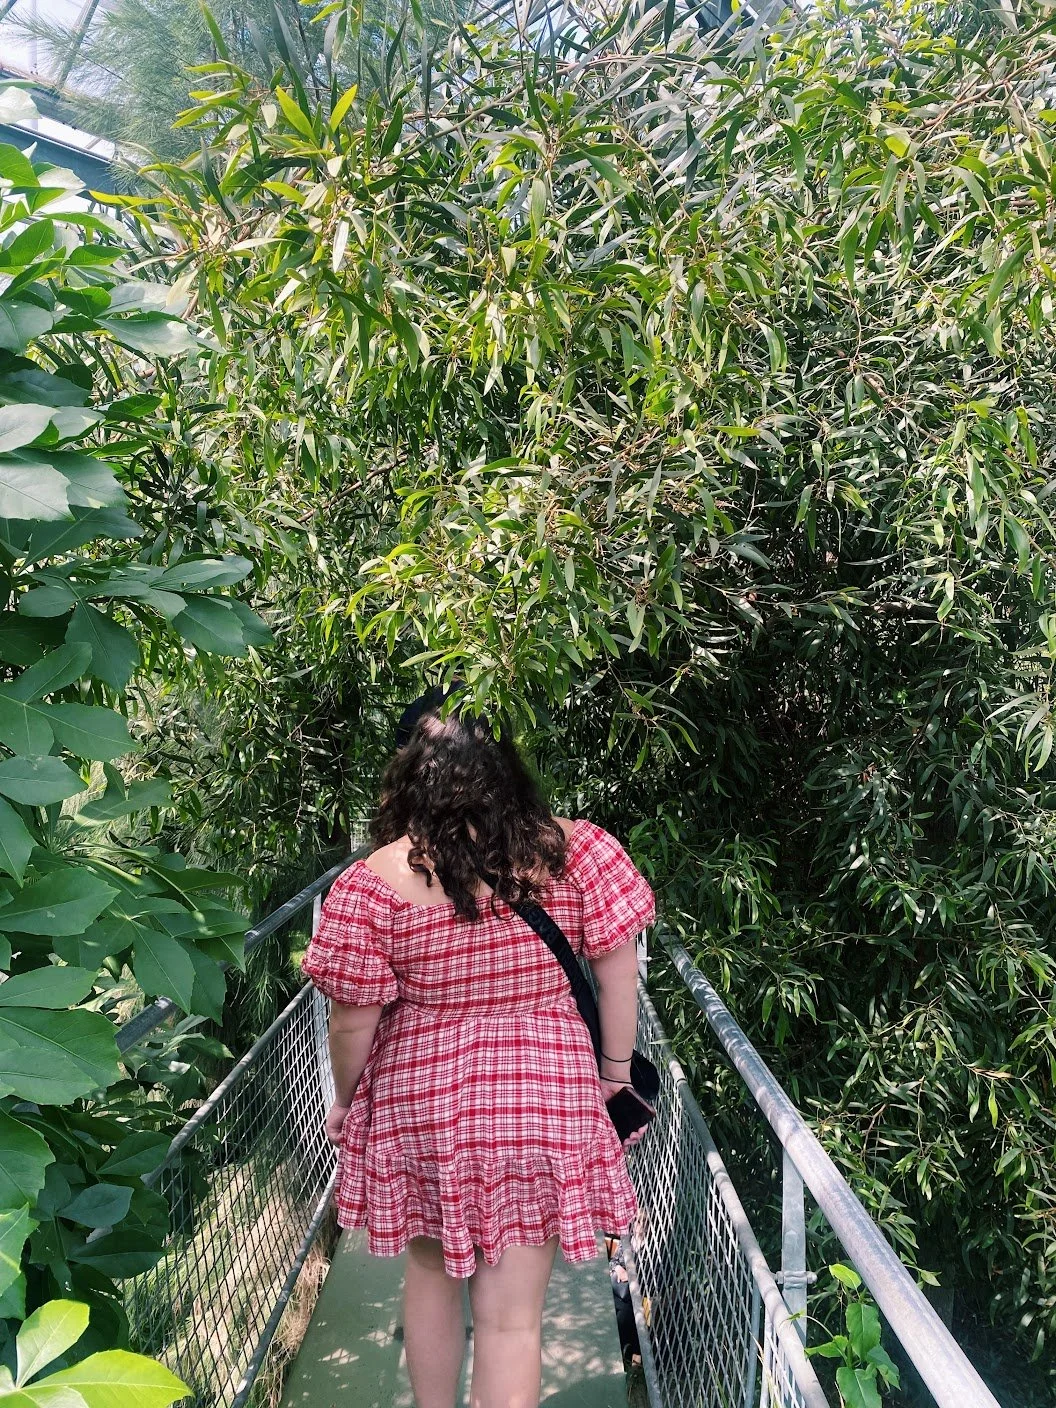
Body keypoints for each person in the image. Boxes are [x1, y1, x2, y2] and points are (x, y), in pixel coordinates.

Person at [300, 687, 656, 1408]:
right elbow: (620, 981)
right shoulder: (580, 851)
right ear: (505, 764)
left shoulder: (371, 886)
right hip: (546, 1096)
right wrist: (614, 1074)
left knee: (430, 1280)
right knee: (511, 1322)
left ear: (408, 774)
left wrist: (345, 1103)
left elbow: (351, 1021)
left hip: (424, 1104)